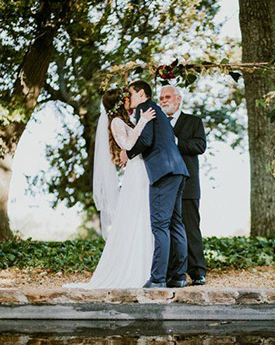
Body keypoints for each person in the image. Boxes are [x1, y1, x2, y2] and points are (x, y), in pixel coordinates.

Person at [65, 88, 156, 289]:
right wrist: (143, 121)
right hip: (135, 172)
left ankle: (148, 267)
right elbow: (128, 144)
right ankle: (136, 271)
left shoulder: (123, 121)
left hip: (141, 169)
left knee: (144, 216)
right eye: (127, 98)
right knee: (137, 215)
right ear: (120, 103)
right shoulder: (115, 122)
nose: (129, 101)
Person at [126, 81, 190, 288]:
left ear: (141, 93)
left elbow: (146, 140)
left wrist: (128, 153)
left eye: (131, 94)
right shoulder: (159, 112)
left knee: (159, 226)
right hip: (178, 170)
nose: (130, 99)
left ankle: (158, 279)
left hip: (163, 171)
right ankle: (178, 277)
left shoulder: (145, 108)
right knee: (175, 224)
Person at [159, 86, 208, 286]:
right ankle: (172, 272)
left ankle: (198, 272)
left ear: (178, 99)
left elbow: (200, 146)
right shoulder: (157, 123)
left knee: (191, 228)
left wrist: (177, 142)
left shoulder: (193, 121)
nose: (163, 101)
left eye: (167, 97)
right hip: (164, 184)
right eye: (161, 98)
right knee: (167, 229)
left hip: (188, 184)